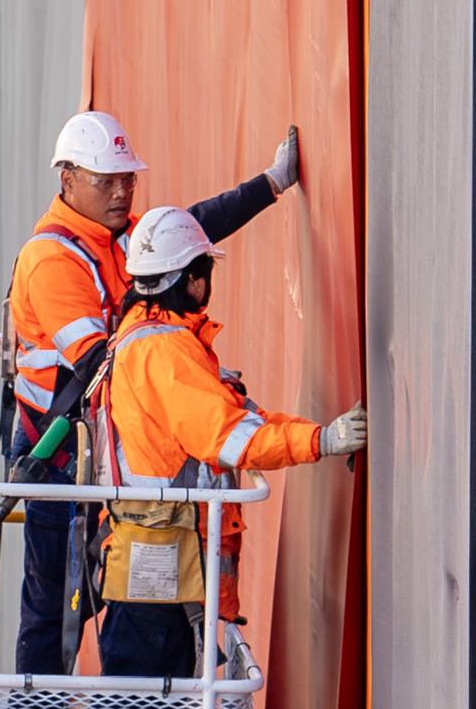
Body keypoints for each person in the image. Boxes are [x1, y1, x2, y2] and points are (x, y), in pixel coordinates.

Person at [5, 109, 301, 672]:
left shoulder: (114, 240)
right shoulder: (51, 263)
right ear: (67, 180)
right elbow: (101, 366)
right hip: (61, 458)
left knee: (116, 592)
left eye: (128, 180)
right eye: (106, 180)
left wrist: (269, 185)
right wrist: (192, 389)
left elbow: (186, 230)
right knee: (55, 604)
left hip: (105, 455)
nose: (121, 192)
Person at [86, 205, 368, 678]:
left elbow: (240, 417)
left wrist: (318, 432)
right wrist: (321, 441)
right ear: (192, 280)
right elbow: (230, 437)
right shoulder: (165, 351)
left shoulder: (144, 339)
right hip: (160, 567)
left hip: (155, 562)